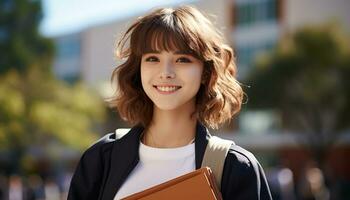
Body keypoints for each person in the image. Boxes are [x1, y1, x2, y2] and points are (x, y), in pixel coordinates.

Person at [68, 5, 272, 200]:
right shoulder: (101, 160)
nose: (165, 73)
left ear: (205, 72)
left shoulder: (235, 168)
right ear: (138, 69)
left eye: (182, 59)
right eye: (152, 59)